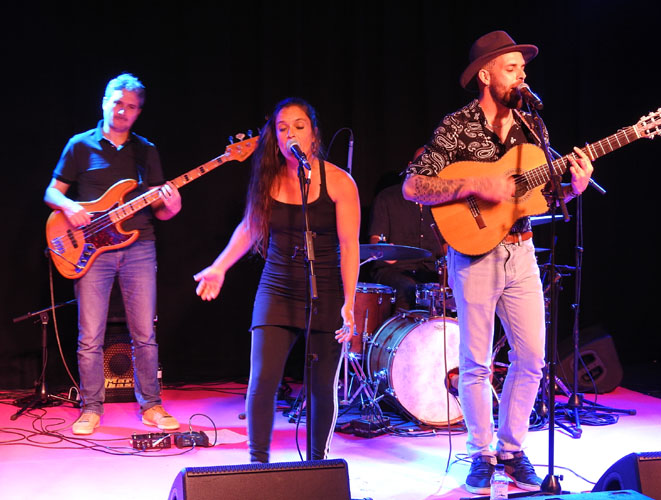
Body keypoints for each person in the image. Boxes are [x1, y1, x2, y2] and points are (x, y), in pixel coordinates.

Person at [402, 31, 593, 494]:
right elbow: (413, 185)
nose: (521, 76)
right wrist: (473, 185)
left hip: (522, 250)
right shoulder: (457, 125)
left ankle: (511, 448)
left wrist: (573, 189)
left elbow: (540, 200)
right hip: (473, 254)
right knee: (476, 362)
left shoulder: (534, 129)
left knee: (532, 358)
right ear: (486, 75)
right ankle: (481, 452)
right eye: (512, 68)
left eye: (523, 69)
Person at [194, 97, 360, 463]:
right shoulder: (268, 179)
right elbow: (249, 227)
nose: (290, 134)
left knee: (321, 387)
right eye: (282, 129)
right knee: (262, 380)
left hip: (325, 287)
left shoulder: (339, 182)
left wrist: (349, 304)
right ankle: (258, 464)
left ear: (314, 134)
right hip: (277, 285)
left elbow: (350, 247)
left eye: (299, 126)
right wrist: (219, 267)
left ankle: (318, 465)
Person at [44, 73, 182, 435]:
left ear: (138, 112)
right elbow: (52, 192)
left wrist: (173, 205)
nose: (123, 111)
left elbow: (160, 208)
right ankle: (91, 407)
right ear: (105, 102)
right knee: (90, 335)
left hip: (139, 246)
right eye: (118, 103)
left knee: (144, 333)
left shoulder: (146, 151)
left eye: (131, 107)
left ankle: (151, 405)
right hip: (91, 249)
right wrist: (70, 207)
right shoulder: (79, 145)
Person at [367, 149, 446, 312]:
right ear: (411, 167)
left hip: (429, 272)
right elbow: (375, 240)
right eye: (423, 165)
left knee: (452, 289)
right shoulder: (388, 197)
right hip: (393, 270)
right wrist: (385, 250)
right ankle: (402, 328)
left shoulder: (442, 203)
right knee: (408, 289)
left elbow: (444, 248)